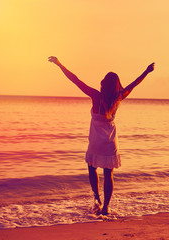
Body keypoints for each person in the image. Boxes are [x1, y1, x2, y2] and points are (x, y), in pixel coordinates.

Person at [48, 56, 155, 215]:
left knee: (92, 168)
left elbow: (75, 80)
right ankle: (106, 207)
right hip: (110, 141)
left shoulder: (95, 96)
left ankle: (97, 199)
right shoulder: (119, 97)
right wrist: (147, 71)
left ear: (103, 83)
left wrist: (59, 64)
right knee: (109, 173)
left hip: (96, 141)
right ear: (117, 85)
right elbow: (135, 82)